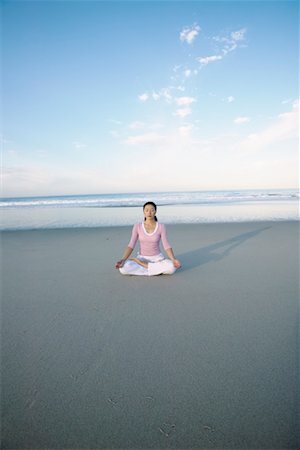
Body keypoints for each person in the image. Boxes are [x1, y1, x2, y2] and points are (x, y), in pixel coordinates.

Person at [115, 201, 182, 276]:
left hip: (157, 259)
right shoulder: (137, 226)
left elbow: (166, 245)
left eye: (152, 210)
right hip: (142, 258)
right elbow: (131, 245)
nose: (149, 212)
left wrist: (173, 259)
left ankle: (144, 266)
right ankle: (153, 270)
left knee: (171, 267)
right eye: (147, 210)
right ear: (143, 212)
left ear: (155, 212)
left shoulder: (161, 226)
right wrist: (123, 259)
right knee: (123, 268)